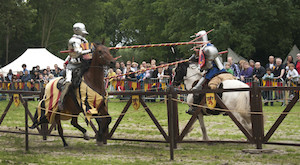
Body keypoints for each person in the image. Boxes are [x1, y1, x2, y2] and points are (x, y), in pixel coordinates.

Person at [187, 30, 235, 113]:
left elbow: (208, 65)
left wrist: (200, 68)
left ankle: (195, 107)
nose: (196, 42)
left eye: (197, 39)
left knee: (196, 88)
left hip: (214, 71)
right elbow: (201, 60)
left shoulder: (208, 49)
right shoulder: (204, 48)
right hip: (211, 70)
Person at [58, 22, 93, 110]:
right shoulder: (73, 40)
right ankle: (61, 101)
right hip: (72, 65)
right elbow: (78, 52)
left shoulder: (84, 41)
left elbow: (86, 55)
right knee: (68, 82)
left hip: (82, 65)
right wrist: (90, 50)